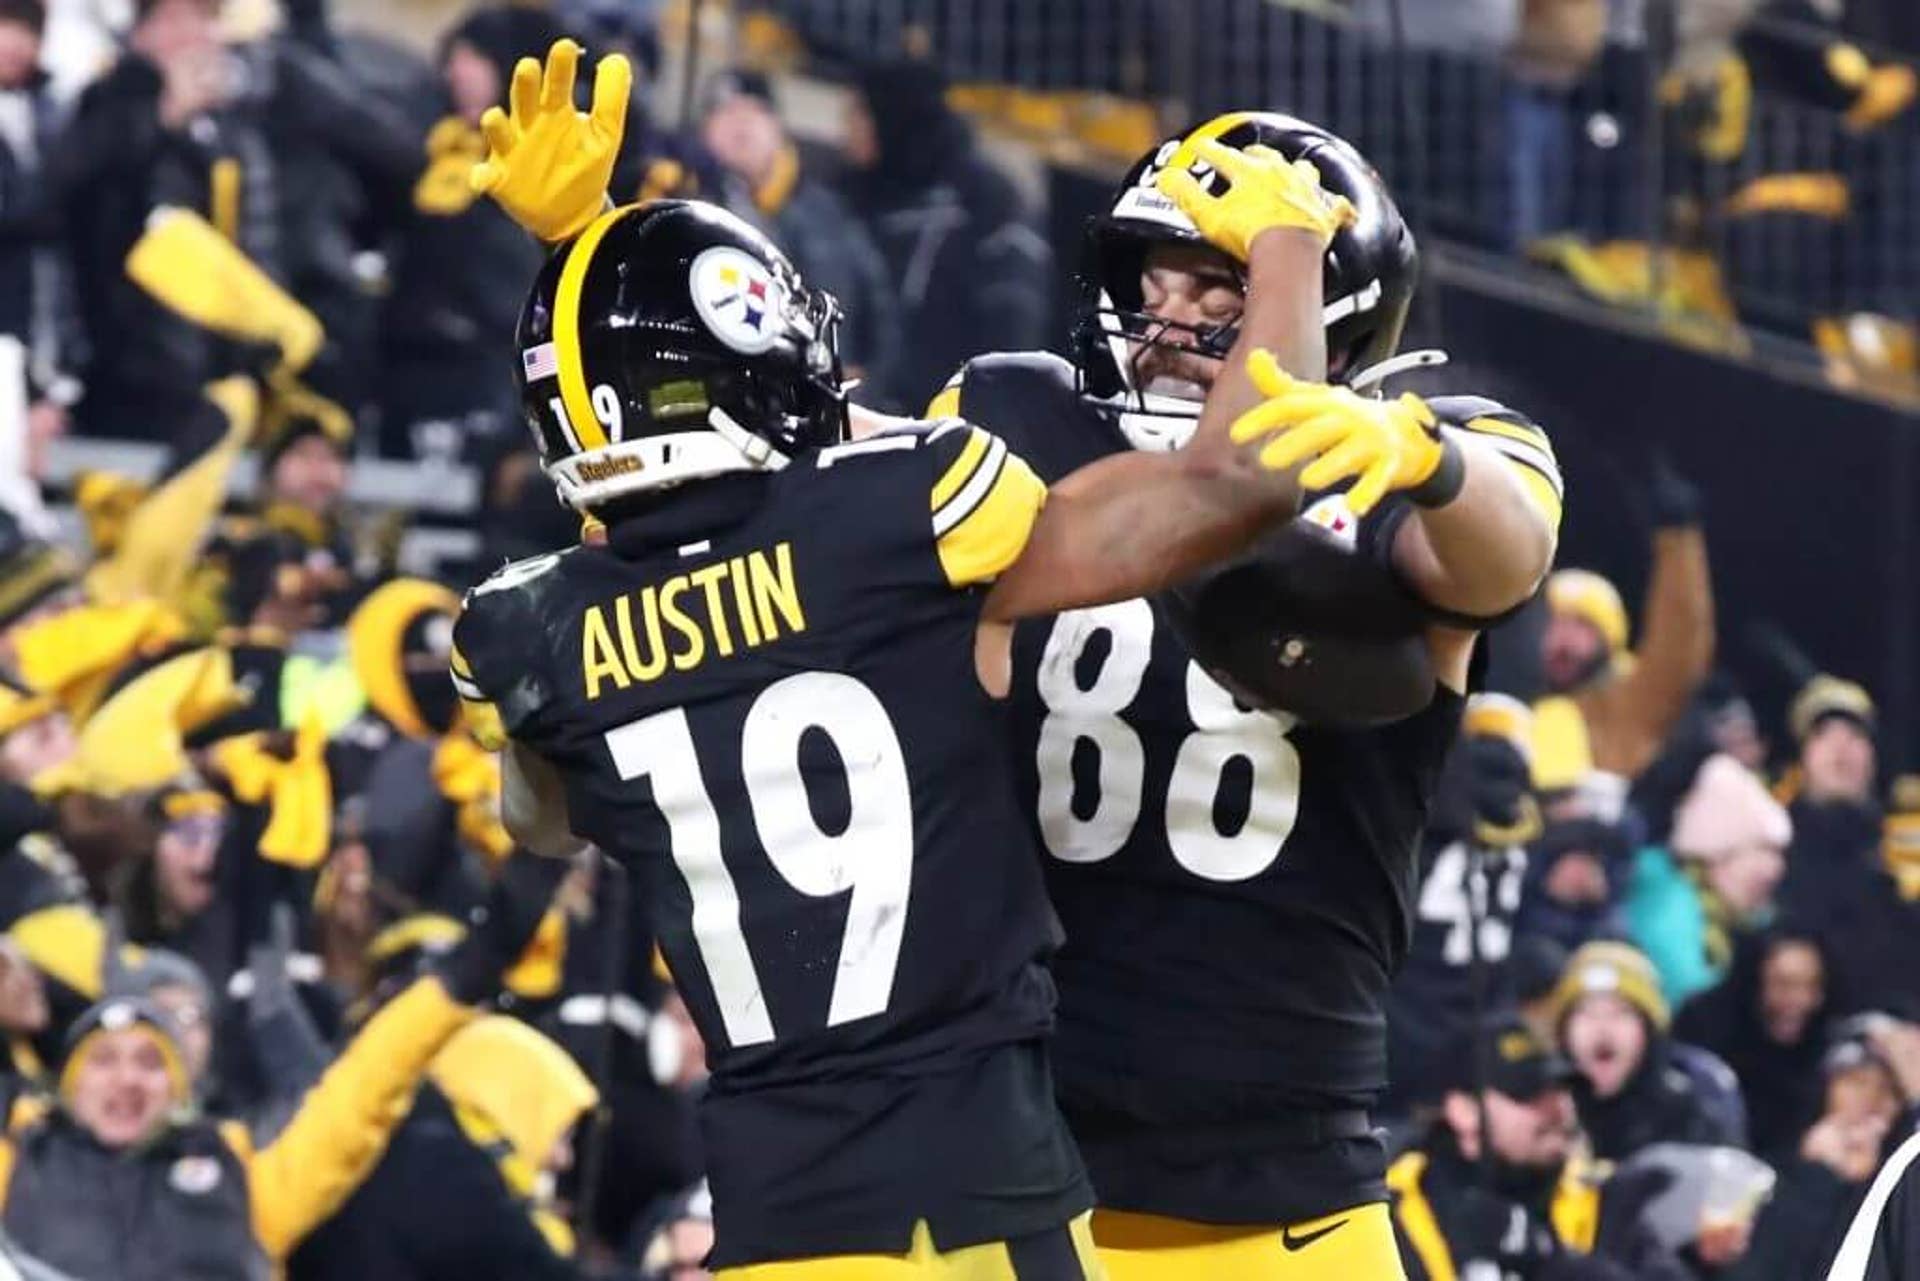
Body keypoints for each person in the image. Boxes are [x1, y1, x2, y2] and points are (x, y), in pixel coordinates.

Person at [452, 43, 1357, 1277]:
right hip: (978, 1208)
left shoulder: (526, 628)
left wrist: (585, 255)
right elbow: (1246, 477)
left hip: (774, 1227)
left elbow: (547, 820)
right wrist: (1290, 241)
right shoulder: (906, 521)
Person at [925, 110, 1560, 1278]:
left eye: (1222, 289)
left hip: (1279, 1185)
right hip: (1010, 1154)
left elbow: (1504, 558)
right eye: (1153, 275)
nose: (1170, 318)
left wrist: (1427, 460)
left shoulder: (1421, 451)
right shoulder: (1014, 414)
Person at [0, 848, 559, 1281]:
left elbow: (362, 1092)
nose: (126, 1079)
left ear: (181, 1087)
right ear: (67, 1085)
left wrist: (465, 975)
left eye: (150, 1062)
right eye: (103, 1061)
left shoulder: (245, 1176)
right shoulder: (20, 1159)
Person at [1387, 1014, 1683, 1281]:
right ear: (1463, 1110)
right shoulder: (1389, 1207)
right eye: (1528, 1094)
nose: (1559, 1109)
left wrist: (1544, 1256)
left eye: (1563, 1090)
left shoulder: (1609, 1195)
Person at [841, 58, 1053, 408]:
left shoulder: (986, 196)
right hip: (875, 406)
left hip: (956, 413)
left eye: (856, 116)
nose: (846, 130)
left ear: (890, 116)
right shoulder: (854, 196)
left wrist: (987, 404)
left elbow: (1016, 316)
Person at [698, 69, 901, 407]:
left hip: (828, 410)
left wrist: (867, 385)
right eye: (725, 112)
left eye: (754, 111)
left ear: (778, 126)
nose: (740, 124)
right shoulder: (687, 207)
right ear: (704, 131)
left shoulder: (830, 211)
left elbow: (883, 314)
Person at [1533, 455, 1713, 786]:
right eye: (1554, 624)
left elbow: (1679, 637)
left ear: (1609, 639)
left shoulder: (1633, 699)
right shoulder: (1513, 696)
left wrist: (1678, 536)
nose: (1563, 640)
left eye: (1581, 626)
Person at [1551, 940, 1747, 1161]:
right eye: (1586, 1013)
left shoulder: (1692, 1107)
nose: (1602, 1028)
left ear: (1649, 1030)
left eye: (1621, 1013)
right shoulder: (1543, 1109)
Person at [1628, 753, 1791, 1005]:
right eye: (1758, 850)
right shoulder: (1660, 898)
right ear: (1715, 858)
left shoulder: (1753, 929)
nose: (1773, 870)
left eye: (1777, 854)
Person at [1676, 926, 1840, 1164]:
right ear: (1754, 981)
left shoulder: (1825, 1049)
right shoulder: (1703, 1032)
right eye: (1784, 984)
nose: (1800, 1000)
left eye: (1811, 986)